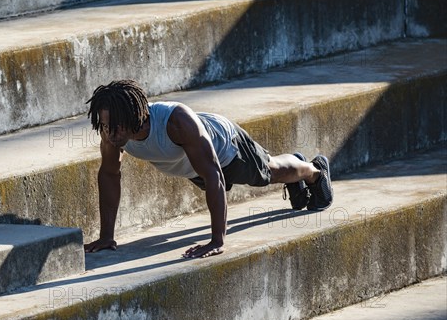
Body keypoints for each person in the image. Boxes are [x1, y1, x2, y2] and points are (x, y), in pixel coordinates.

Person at [83, 80, 333, 259]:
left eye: (114, 126)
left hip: (226, 149)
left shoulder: (176, 121)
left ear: (134, 116)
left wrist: (217, 241)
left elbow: (214, 174)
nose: (108, 133)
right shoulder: (112, 135)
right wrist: (107, 236)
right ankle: (298, 168)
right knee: (263, 171)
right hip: (192, 166)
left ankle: (313, 171)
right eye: (103, 126)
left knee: (269, 171)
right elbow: (109, 175)